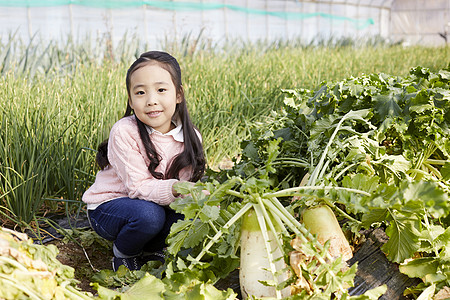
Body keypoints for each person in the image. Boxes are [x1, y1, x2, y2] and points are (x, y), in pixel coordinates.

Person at [82, 51, 205, 271]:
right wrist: (177, 187)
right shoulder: (125, 131)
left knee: (188, 211)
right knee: (149, 215)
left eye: (161, 90)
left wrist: (197, 194)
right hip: (112, 208)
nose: (151, 101)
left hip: (155, 206)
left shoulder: (191, 137)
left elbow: (184, 191)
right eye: (140, 92)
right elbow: (137, 188)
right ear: (130, 100)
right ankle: (124, 252)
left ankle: (152, 249)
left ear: (178, 95)